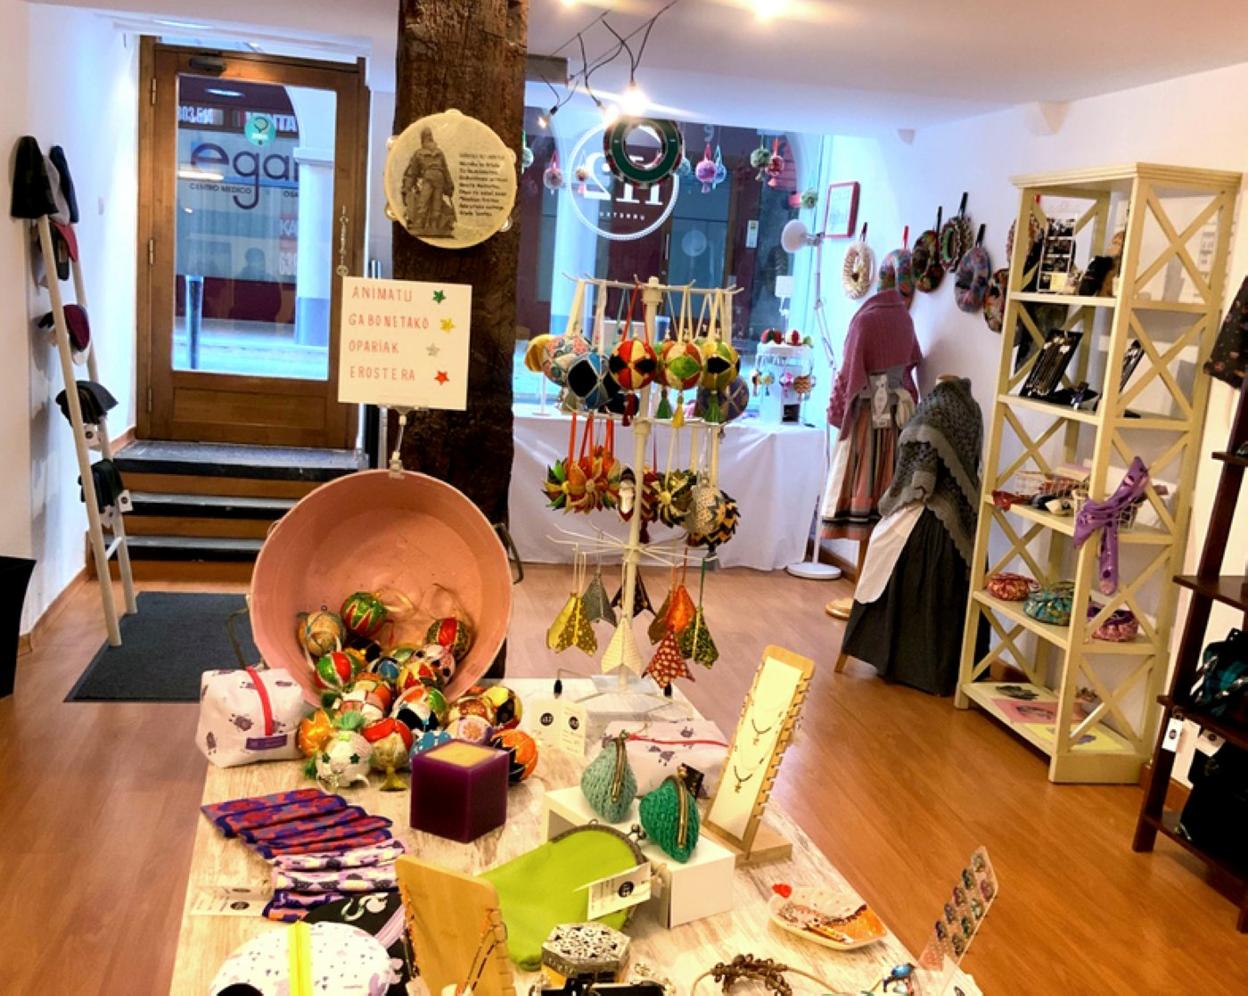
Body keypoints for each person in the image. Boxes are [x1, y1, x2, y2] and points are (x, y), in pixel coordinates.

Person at [401, 128, 456, 237]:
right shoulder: (438, 152)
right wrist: (450, 185)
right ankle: (429, 225)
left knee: (427, 202)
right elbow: (445, 171)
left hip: (431, 178)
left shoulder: (420, 153)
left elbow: (413, 173)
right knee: (433, 202)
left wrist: (407, 187)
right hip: (437, 178)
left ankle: (424, 224)